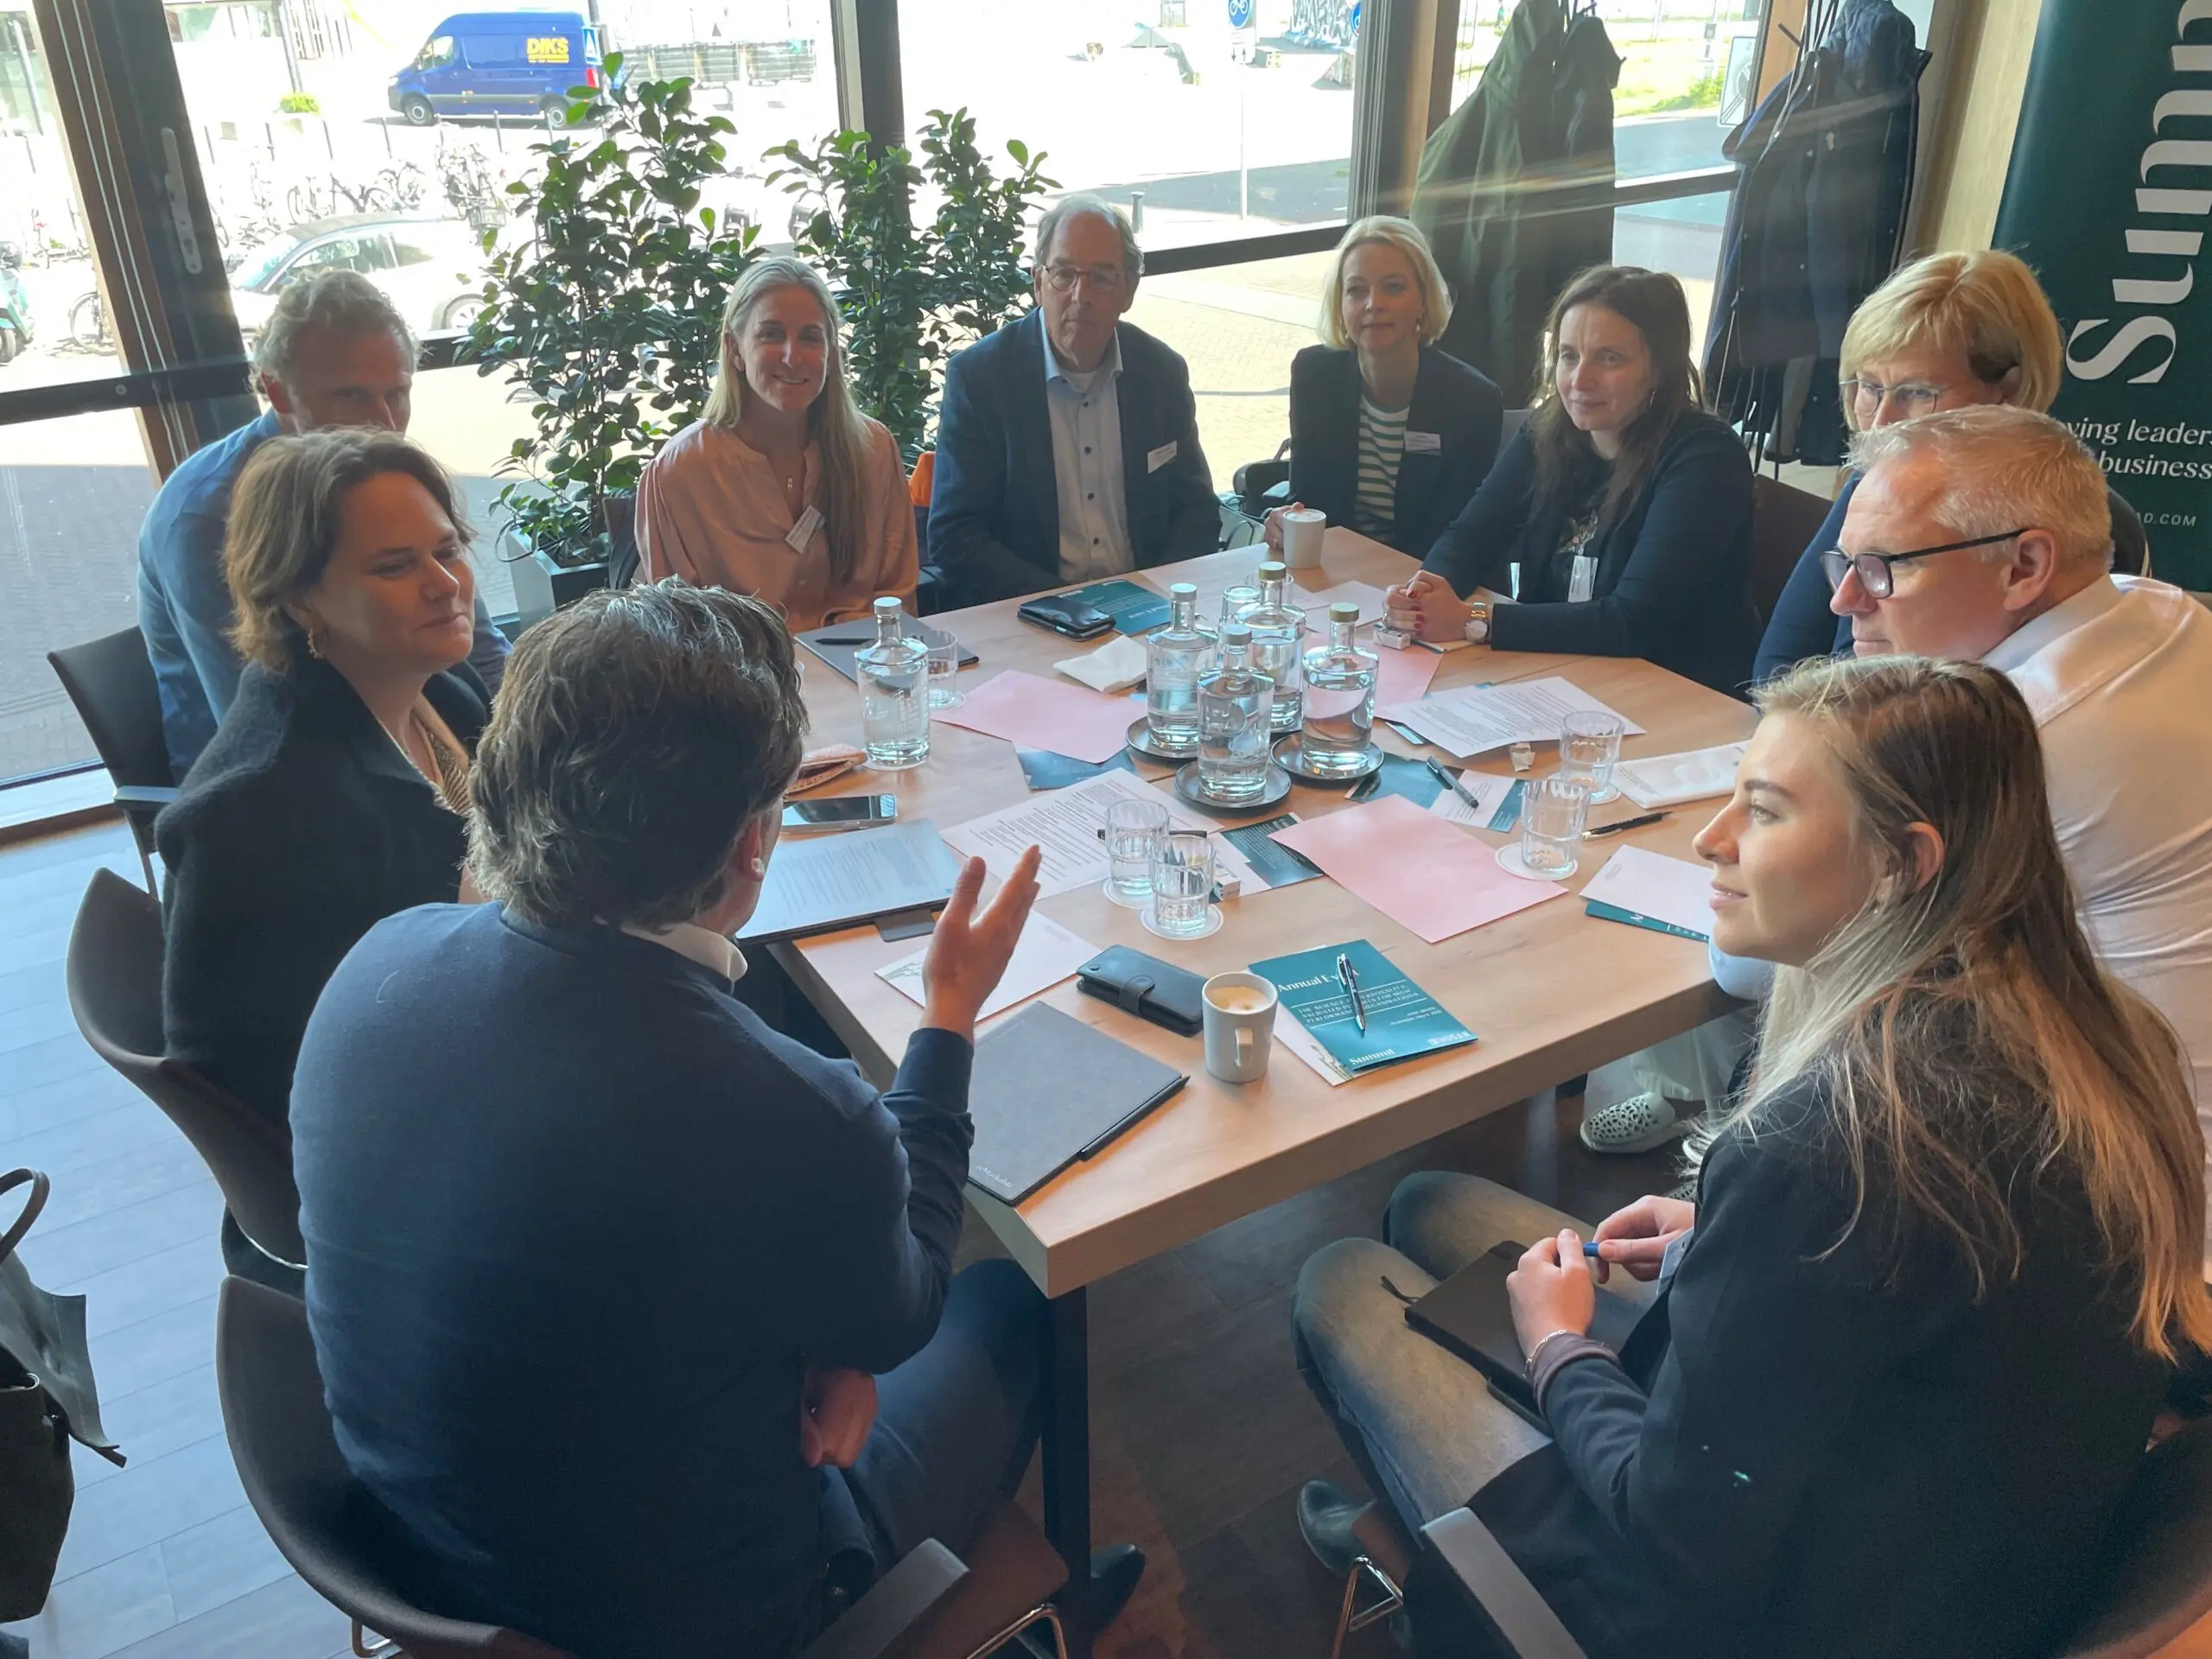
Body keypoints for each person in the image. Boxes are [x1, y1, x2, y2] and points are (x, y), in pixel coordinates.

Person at [1293, 653, 2212, 1659]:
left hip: (1756, 1612)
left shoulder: (1831, 1144)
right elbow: (1932, 1284)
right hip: (1951, 1551)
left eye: (1764, 811)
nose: (1711, 837)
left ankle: (1417, 1546)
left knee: (1341, 1282)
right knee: (1428, 1205)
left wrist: (1559, 1350)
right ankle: (1417, 1509)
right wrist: (1724, 1242)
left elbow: (1675, 1528)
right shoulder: (2107, 1041)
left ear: (1904, 862)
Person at [288, 582, 1143, 1659]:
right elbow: (904, 1310)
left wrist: (826, 1345)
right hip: (704, 1620)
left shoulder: (377, 962)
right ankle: (1055, 1608)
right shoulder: (781, 1108)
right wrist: (949, 1016)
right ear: (751, 844)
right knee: (1018, 1297)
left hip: (431, 1561)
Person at [1607, 408, 2212, 1192]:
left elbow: (1749, 962)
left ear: (2026, 566)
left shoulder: (2010, 745)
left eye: (1885, 567)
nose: (1845, 600)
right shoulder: (2160, 610)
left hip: (2105, 1194)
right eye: (1845, 563)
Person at [155, 429, 484, 1273]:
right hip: (384, 1191)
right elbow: (263, 1089)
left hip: (462, 1056)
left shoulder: (439, 693)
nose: (445, 583)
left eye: (448, 549)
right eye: (395, 566)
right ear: (300, 599)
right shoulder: (259, 809)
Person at [137, 270, 507, 781]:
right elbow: (257, 716)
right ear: (278, 392)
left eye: (397, 394)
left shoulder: (386, 477)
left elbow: (480, 649)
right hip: (281, 784)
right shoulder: (204, 517)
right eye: (352, 396)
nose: (384, 423)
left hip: (407, 725)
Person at [1754, 248, 2148, 683]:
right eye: (1869, 387)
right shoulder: (1879, 483)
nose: (1881, 422)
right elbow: (1778, 665)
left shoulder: (2083, 523)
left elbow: (1915, 691)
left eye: (1917, 393)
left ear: (2008, 390)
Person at [1385, 265, 1757, 693]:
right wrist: (1425, 594)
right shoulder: (1549, 429)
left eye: (1609, 358)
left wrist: (1474, 619)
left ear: (1659, 368)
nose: (1580, 380)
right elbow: (1472, 535)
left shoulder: (1705, 458)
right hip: (1559, 671)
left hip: (1673, 691)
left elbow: (1633, 620)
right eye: (1568, 355)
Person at [929, 194, 1218, 605]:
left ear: (1129, 290)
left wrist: (1154, 597)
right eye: (1064, 274)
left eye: (1102, 277)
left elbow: (1197, 512)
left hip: (1148, 607)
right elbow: (955, 535)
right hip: (1032, 611)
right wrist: (1066, 607)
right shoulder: (980, 379)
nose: (1081, 296)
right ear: (1038, 283)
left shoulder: (1160, 372)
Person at [635, 257, 918, 631]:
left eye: (810, 337)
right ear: (734, 349)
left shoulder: (873, 450)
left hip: (859, 661)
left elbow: (897, 599)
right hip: (739, 668)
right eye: (771, 334)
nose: (792, 356)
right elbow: (678, 632)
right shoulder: (678, 472)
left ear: (831, 353)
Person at [1262, 216, 1503, 557]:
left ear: (1423, 301)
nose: (1374, 304)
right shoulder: (1314, 376)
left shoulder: (1473, 401)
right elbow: (1307, 502)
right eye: (1356, 290)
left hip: (1423, 575)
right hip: (1335, 569)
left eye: (1394, 287)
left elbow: (1459, 536)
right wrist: (1283, 521)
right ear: (1340, 304)